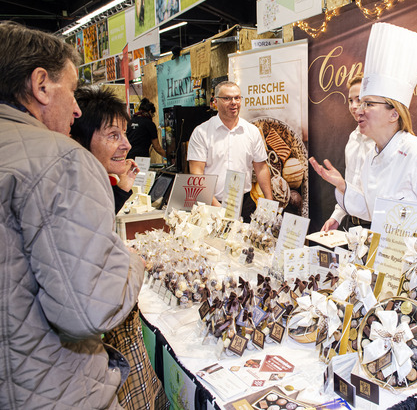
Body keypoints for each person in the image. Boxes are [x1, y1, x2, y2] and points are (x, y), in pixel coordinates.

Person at [0, 21, 143, 408]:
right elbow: (91, 308)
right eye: (72, 89)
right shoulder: (60, 159)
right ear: (41, 85)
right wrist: (132, 262)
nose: (77, 109)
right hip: (54, 389)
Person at [309, 23, 417, 286]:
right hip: (404, 274)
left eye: (369, 104)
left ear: (394, 114)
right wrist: (343, 186)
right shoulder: (372, 156)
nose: (359, 110)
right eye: (360, 103)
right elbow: (372, 211)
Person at [70, 86, 169, 410]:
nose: (126, 144)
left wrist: (123, 189)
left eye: (124, 134)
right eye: (114, 135)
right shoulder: (76, 193)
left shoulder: (92, 184)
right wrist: (132, 262)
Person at [187, 80, 272, 221]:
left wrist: (269, 201)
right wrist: (217, 208)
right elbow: (197, 175)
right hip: (211, 204)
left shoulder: (252, 131)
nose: (234, 102)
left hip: (245, 204)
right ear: (215, 101)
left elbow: (261, 167)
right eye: (227, 98)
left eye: (237, 98)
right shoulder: (201, 132)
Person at [321, 74, 375, 232]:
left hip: (377, 227)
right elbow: (350, 185)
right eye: (350, 101)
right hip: (352, 225)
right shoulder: (353, 138)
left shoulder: (384, 143)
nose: (353, 106)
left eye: (359, 100)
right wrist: (337, 216)